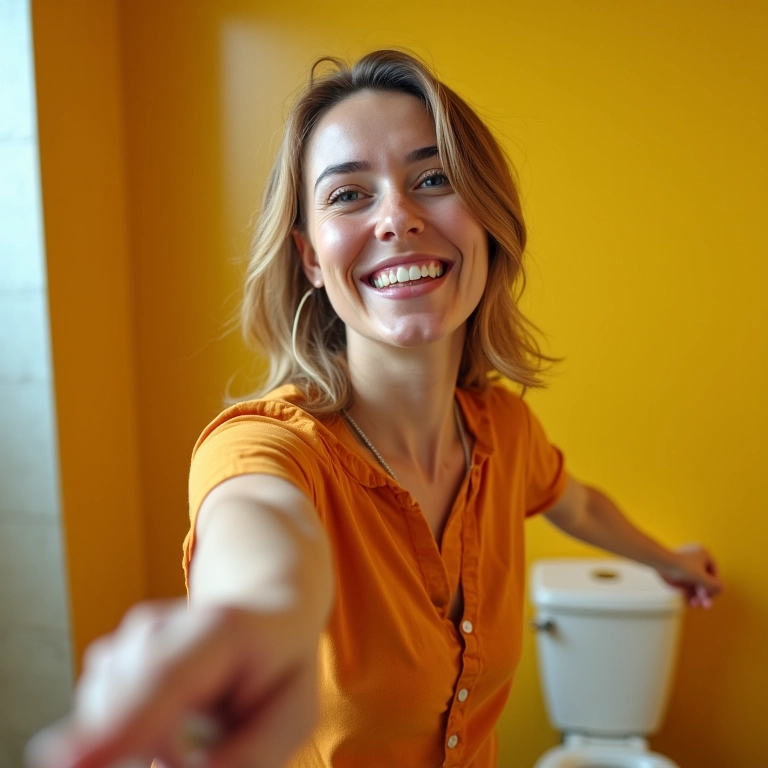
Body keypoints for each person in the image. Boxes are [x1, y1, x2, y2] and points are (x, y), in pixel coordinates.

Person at [28, 49, 722, 768]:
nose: (398, 217)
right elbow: (260, 545)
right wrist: (246, 626)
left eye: (433, 179)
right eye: (349, 195)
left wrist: (669, 561)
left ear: (487, 219)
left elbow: (576, 505)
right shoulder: (267, 450)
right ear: (308, 259)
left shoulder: (505, 431)